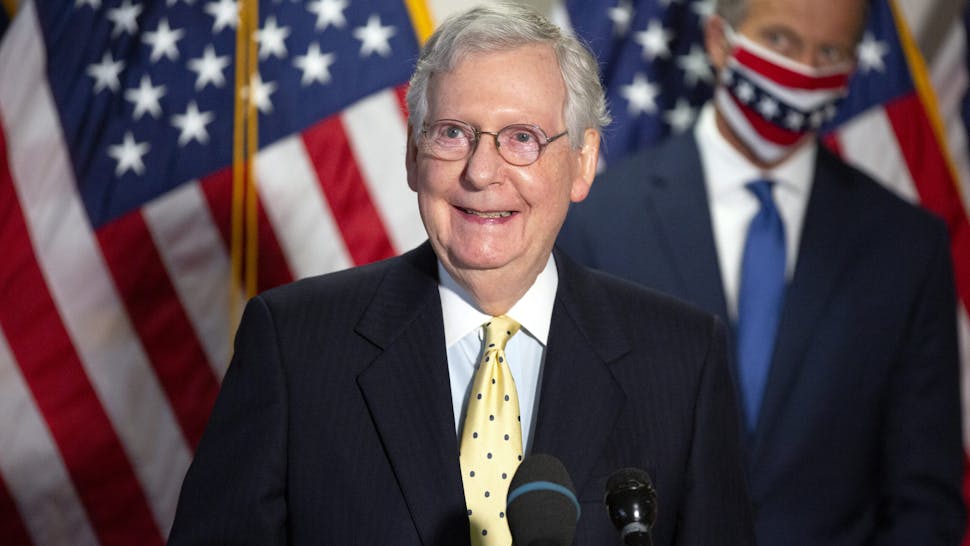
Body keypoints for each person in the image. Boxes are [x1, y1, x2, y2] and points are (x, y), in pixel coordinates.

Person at [167, 4, 754, 545]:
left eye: (522, 138)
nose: (481, 172)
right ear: (412, 156)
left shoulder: (681, 360)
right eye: (453, 133)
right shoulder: (293, 345)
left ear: (582, 162)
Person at [558, 0, 965, 544]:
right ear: (720, 42)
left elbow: (925, 498)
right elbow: (567, 456)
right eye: (779, 41)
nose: (804, 69)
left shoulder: (907, 246)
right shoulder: (597, 221)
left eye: (830, 52)